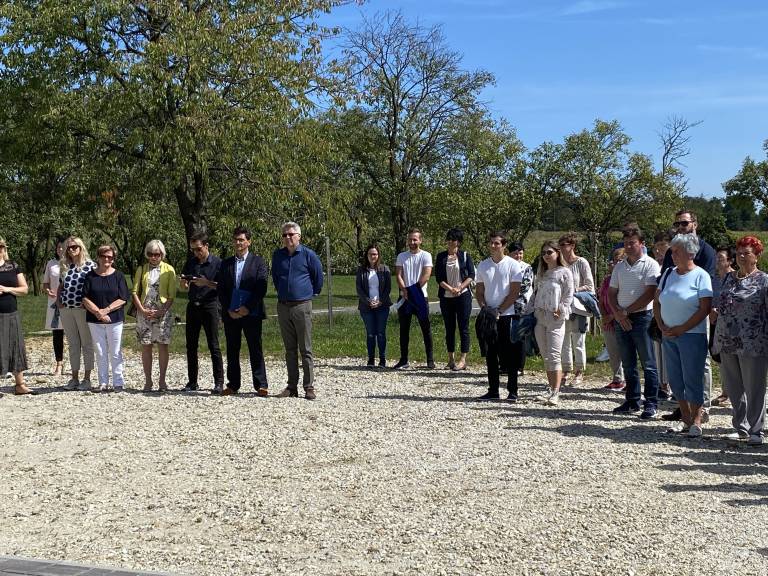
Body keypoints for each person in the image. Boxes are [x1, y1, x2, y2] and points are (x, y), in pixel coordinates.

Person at [654, 234, 713, 437]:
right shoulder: (668, 273)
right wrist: (660, 323)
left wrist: (683, 328)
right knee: (675, 378)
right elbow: (657, 301)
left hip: (692, 335)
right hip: (669, 334)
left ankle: (697, 419)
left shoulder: (701, 275)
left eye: (676, 252)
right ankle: (686, 418)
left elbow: (704, 308)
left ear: (690, 253)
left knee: (692, 377)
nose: (672, 255)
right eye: (672, 251)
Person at [712, 236, 768, 446]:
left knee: (754, 387)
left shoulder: (764, 280)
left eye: (747, 253)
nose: (742, 257)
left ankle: (756, 430)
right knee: (734, 387)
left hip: (753, 342)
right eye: (739, 253)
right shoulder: (728, 277)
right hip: (727, 340)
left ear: (757, 256)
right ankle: (740, 426)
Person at [608, 227, 661, 419]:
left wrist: (626, 311)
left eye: (632, 243)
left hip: (642, 317)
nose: (628, 247)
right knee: (628, 363)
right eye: (626, 243)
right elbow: (611, 292)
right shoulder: (620, 267)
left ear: (641, 244)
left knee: (648, 363)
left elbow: (649, 293)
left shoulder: (650, 264)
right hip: (621, 318)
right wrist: (618, 313)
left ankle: (651, 402)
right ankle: (632, 400)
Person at [272, 221, 324, 400]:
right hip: (283, 306)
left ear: (299, 236)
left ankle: (309, 386)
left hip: (302, 306)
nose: (287, 237)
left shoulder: (309, 255)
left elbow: (318, 278)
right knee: (289, 349)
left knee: (305, 348)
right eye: (284, 235)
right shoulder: (278, 255)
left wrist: (309, 293)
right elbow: (276, 277)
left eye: (291, 234)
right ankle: (291, 386)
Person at [217, 226, 269, 396]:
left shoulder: (258, 262)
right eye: (236, 240)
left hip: (251, 313)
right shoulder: (226, 263)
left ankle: (261, 384)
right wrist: (228, 308)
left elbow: (261, 288)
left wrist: (248, 307)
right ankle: (233, 384)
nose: (238, 243)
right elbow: (221, 289)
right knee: (232, 349)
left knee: (255, 348)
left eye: (241, 240)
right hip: (231, 313)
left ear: (249, 242)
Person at [475, 231, 523, 401]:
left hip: (507, 314)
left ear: (504, 245)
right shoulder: (483, 265)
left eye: (497, 243)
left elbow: (514, 292)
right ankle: (493, 390)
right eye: (491, 243)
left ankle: (512, 391)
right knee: (491, 354)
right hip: (489, 315)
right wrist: (485, 309)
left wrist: (500, 311)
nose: (493, 246)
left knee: (510, 354)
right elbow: (479, 291)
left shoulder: (513, 265)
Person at [525, 240, 573, 405]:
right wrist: (528, 310)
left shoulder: (564, 272)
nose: (546, 255)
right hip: (540, 316)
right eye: (544, 253)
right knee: (545, 355)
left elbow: (568, 294)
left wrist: (562, 309)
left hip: (555, 318)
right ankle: (551, 388)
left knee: (554, 355)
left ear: (558, 253)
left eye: (549, 252)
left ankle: (556, 392)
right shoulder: (542, 273)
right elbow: (535, 293)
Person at [180, 231, 224, 393]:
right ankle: (192, 381)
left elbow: (223, 286)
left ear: (206, 246)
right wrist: (184, 284)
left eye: (198, 249)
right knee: (191, 346)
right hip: (193, 306)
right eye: (193, 250)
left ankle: (219, 382)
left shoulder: (218, 263)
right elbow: (184, 283)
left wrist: (207, 283)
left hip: (210, 305)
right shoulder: (191, 263)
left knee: (213, 345)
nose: (196, 253)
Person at [81, 245, 130, 392]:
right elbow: (84, 298)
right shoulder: (90, 276)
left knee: (115, 352)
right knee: (100, 352)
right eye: (104, 256)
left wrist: (106, 310)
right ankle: (103, 382)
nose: (107, 259)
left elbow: (123, 298)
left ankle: (118, 382)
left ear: (113, 259)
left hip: (115, 319)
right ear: (98, 257)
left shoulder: (119, 276)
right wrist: (98, 313)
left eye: (110, 257)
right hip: (94, 319)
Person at [132, 239, 177, 392]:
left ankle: (162, 381)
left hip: (162, 312)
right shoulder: (142, 269)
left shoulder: (169, 269)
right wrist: (141, 310)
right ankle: (148, 381)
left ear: (162, 254)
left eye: (156, 254)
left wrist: (161, 311)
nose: (153, 257)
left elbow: (171, 295)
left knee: (163, 346)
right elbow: (134, 292)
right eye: (150, 254)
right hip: (144, 311)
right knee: (146, 346)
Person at [58, 236, 96, 391]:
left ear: (81, 248)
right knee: (73, 344)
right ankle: (74, 378)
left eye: (75, 247)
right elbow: (61, 285)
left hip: (83, 309)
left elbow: (94, 287)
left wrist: (88, 303)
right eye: (69, 247)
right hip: (66, 309)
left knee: (87, 343)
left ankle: (87, 379)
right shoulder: (65, 265)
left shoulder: (90, 266)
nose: (72, 250)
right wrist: (58, 301)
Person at [393, 229, 434, 370]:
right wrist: (405, 290)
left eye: (415, 239)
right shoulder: (401, 256)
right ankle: (404, 359)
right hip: (404, 297)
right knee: (404, 329)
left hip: (420, 296)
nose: (412, 242)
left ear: (420, 240)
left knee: (426, 328)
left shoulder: (426, 255)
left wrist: (413, 291)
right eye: (410, 239)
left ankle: (430, 360)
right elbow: (399, 275)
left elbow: (426, 275)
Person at [435, 229, 475, 371]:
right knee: (449, 328)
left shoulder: (465, 256)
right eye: (449, 239)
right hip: (446, 296)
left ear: (459, 242)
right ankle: (450, 359)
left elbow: (471, 275)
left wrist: (460, 287)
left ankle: (463, 359)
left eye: (453, 239)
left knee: (463, 327)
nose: (451, 242)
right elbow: (438, 277)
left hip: (463, 295)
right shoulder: (441, 256)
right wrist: (450, 288)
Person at [557, 233, 594, 387]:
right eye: (560, 245)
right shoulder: (559, 264)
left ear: (572, 246)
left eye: (564, 245)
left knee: (578, 340)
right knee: (564, 340)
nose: (561, 248)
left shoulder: (581, 262)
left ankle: (579, 371)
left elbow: (590, 285)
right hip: (563, 307)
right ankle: (566, 370)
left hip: (578, 307)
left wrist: (573, 290)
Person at [0, 236, 35, 396]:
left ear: (4, 248)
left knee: (16, 347)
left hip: (11, 313)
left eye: (0, 247)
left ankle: (20, 384)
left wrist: (7, 289)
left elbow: (24, 289)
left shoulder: (13, 266)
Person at [355, 243, 392, 368]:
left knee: (381, 333)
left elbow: (388, 288)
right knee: (370, 333)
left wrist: (380, 301)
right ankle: (371, 359)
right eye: (370, 254)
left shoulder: (384, 269)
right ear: (367, 255)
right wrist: (368, 301)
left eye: (375, 254)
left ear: (378, 255)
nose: (373, 256)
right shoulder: (361, 270)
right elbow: (359, 289)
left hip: (382, 306)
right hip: (366, 307)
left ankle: (382, 359)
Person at [710, 245, 735, 407]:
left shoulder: (735, 278)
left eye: (720, 258)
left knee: (731, 358)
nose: (717, 261)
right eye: (716, 257)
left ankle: (734, 392)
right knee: (719, 358)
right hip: (714, 322)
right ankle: (726, 392)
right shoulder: (713, 278)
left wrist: (718, 311)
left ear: (730, 261)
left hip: (730, 325)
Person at [598, 247, 626, 392]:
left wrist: (613, 316)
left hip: (622, 318)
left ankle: (628, 379)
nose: (614, 263)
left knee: (625, 351)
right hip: (608, 320)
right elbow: (601, 299)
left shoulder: (625, 280)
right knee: (612, 350)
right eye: (614, 260)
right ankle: (617, 378)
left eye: (619, 260)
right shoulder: (607, 280)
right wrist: (604, 315)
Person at [652, 230, 673, 399]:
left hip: (670, 308)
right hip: (658, 308)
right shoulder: (657, 264)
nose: (659, 249)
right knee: (658, 349)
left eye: (662, 245)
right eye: (657, 245)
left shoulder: (671, 264)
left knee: (669, 351)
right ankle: (662, 384)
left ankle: (670, 384)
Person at [509, 242, 534, 376]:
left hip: (521, 306)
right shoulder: (505, 266)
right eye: (515, 253)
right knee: (507, 335)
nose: (518, 256)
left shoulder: (527, 267)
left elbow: (524, 286)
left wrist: (508, 295)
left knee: (519, 336)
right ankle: (506, 364)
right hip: (506, 306)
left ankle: (519, 366)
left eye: (520, 253)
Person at [42, 240, 65, 376]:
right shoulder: (51, 264)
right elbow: (45, 283)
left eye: (63, 247)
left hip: (70, 303)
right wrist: (48, 291)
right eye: (58, 247)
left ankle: (76, 365)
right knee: (57, 334)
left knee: (75, 335)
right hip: (54, 303)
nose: (60, 249)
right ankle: (59, 363)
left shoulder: (74, 263)